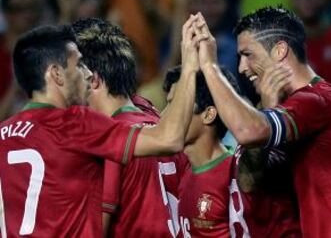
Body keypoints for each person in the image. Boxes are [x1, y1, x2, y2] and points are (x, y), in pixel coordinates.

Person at [0, 14, 200, 237]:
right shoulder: (85, 124)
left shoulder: (5, 132)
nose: (85, 74)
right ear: (56, 74)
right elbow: (170, 139)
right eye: (78, 65)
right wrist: (191, 65)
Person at [189, 8, 331, 238]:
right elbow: (249, 182)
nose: (241, 67)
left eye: (248, 54)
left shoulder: (319, 102)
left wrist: (210, 66)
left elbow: (247, 131)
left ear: (280, 50)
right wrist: (268, 110)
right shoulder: (291, 111)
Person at [72, 18, 184, 237]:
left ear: (92, 79)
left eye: (70, 73)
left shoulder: (107, 140)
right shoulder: (159, 121)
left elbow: (94, 229)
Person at [164, 67, 301, 238]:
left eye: (177, 105)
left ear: (208, 114)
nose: (165, 115)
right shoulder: (184, 171)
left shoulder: (235, 173)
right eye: (169, 104)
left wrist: (267, 109)